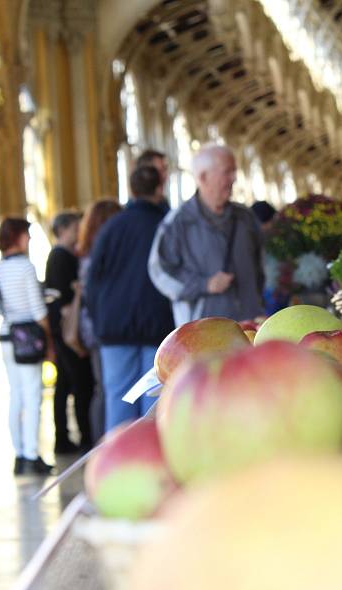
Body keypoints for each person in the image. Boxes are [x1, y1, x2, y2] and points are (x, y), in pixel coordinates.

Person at [86, 166, 175, 431]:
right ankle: (151, 462)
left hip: (114, 329)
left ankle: (118, 460)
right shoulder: (166, 225)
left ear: (131, 190)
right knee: (153, 403)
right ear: (160, 188)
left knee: (119, 399)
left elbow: (93, 279)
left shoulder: (112, 227)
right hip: (157, 325)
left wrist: (99, 319)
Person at [149, 144, 264, 326]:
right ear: (203, 177)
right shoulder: (178, 222)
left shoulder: (246, 218)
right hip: (202, 334)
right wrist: (204, 284)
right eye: (227, 172)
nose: (234, 178)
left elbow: (260, 267)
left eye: (234, 171)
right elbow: (161, 273)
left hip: (250, 327)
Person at [0, 218, 54, 475]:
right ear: (17, 237)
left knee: (15, 395)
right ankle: (32, 453)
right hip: (29, 337)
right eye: (26, 235)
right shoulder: (26, 267)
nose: (28, 240)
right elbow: (38, 309)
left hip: (7, 336)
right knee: (33, 394)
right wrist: (48, 339)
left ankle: (19, 453)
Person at [44, 212, 94, 454]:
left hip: (61, 330)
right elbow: (63, 302)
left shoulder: (63, 255)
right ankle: (83, 435)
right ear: (63, 229)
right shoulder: (60, 257)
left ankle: (63, 437)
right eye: (75, 226)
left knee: (64, 385)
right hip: (66, 331)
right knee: (79, 383)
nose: (79, 230)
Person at [75, 200, 123, 441]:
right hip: (102, 328)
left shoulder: (87, 254)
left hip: (96, 326)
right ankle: (102, 444)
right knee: (106, 391)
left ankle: (100, 444)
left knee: (103, 389)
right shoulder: (97, 256)